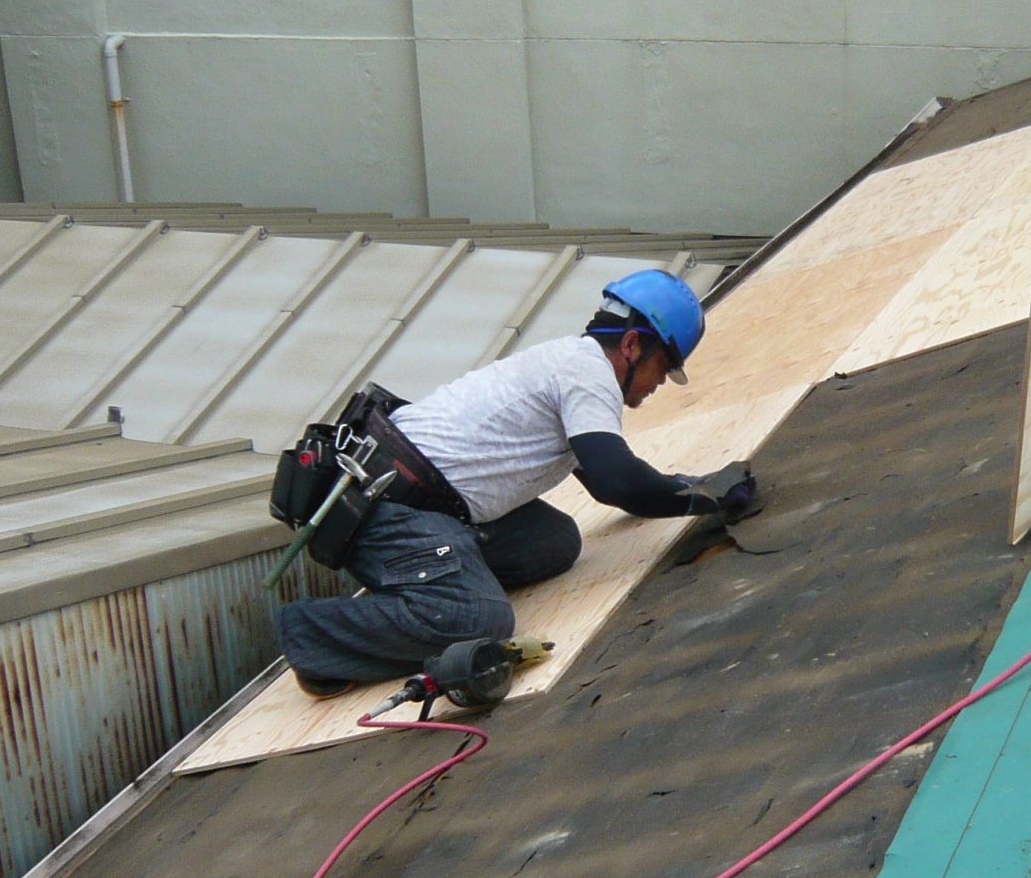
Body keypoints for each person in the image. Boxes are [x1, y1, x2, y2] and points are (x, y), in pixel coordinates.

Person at [275, 269, 757, 704]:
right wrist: (704, 497)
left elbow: (603, 479)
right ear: (632, 345)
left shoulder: (571, 364)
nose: (659, 385)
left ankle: (440, 572)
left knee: (556, 543)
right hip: (392, 510)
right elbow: (619, 483)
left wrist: (690, 487)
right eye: (663, 368)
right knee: (480, 619)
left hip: (430, 502)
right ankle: (313, 636)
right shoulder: (587, 373)